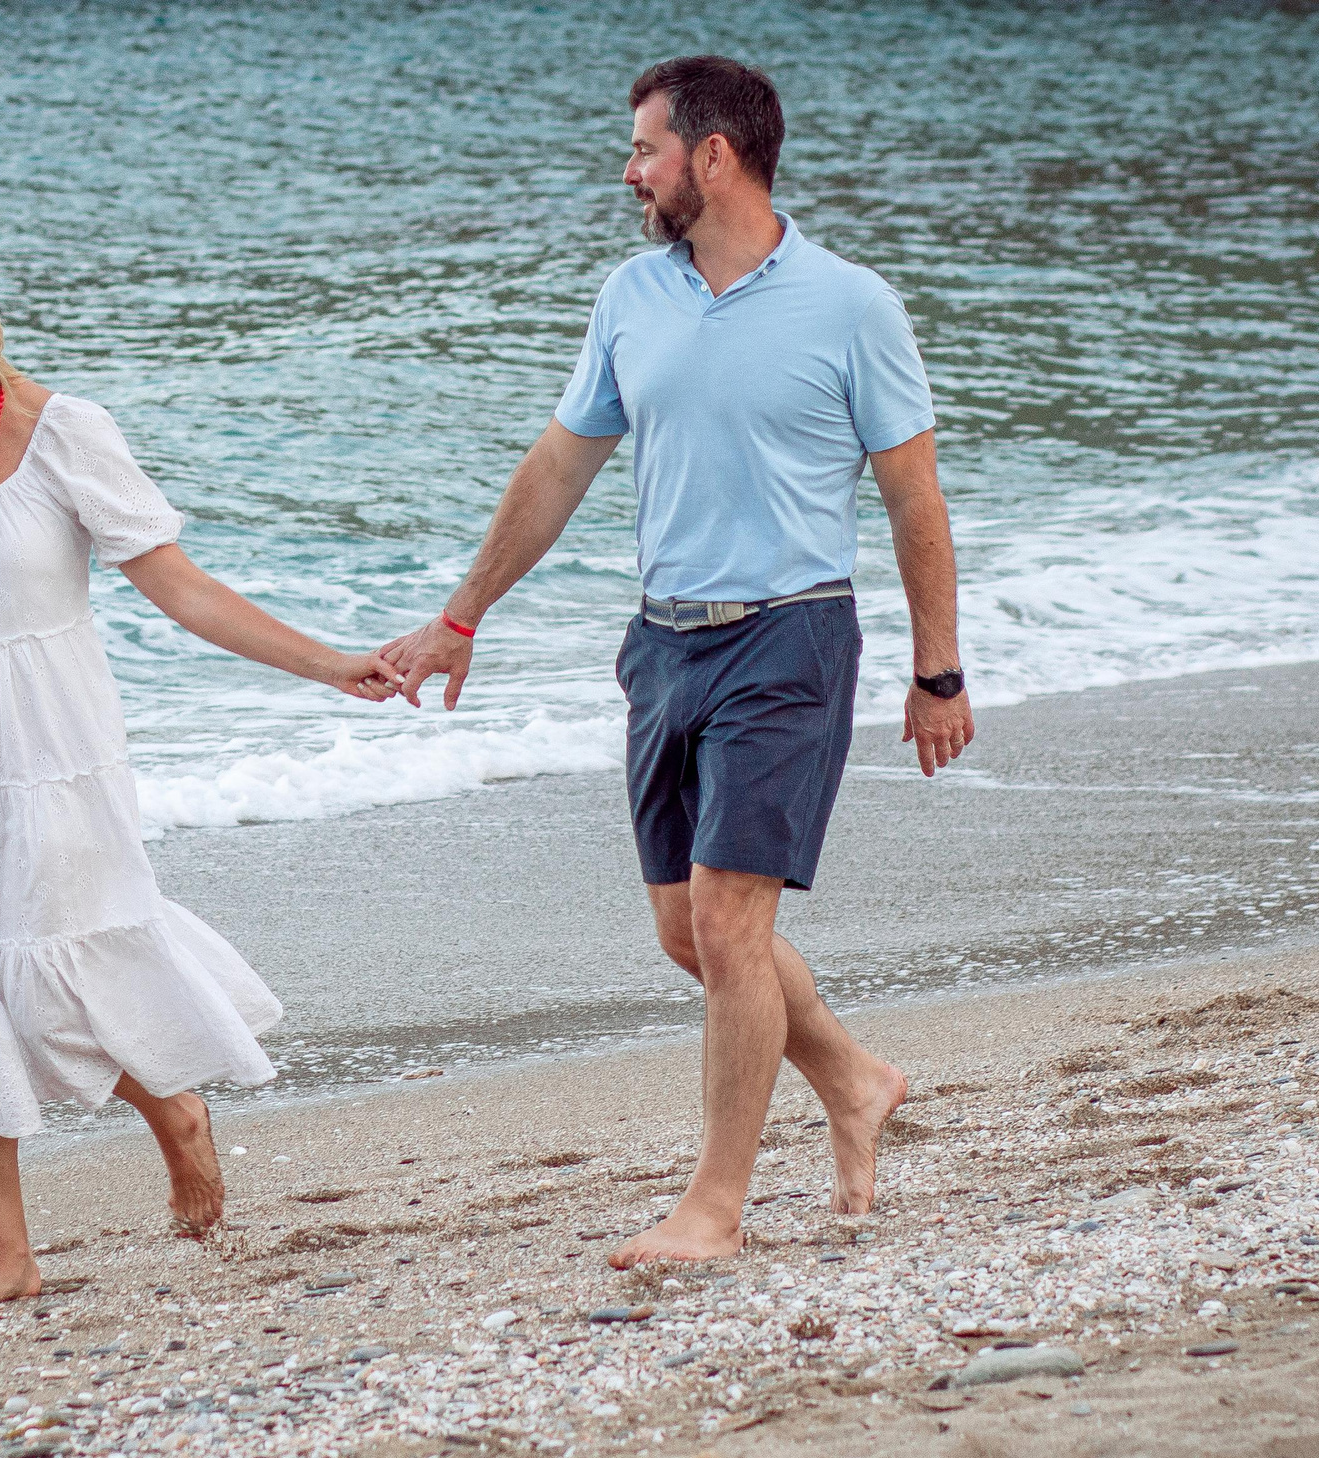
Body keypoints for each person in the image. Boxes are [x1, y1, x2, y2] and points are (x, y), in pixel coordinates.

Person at [381, 57, 975, 1267]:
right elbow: (560, 465)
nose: (629, 172)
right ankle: (854, 1080)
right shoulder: (630, 296)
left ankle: (714, 1206)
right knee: (687, 933)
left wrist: (938, 673)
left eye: (643, 149)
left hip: (790, 632)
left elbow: (912, 495)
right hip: (660, 643)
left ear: (713, 154)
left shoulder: (850, 305)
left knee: (728, 920)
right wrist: (460, 616)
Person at [0, 249, 395, 1310]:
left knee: (54, 984)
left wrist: (329, 664)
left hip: (53, 756)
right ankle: (11, 1256)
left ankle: (173, 1108)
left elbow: (181, 590)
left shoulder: (67, 433)